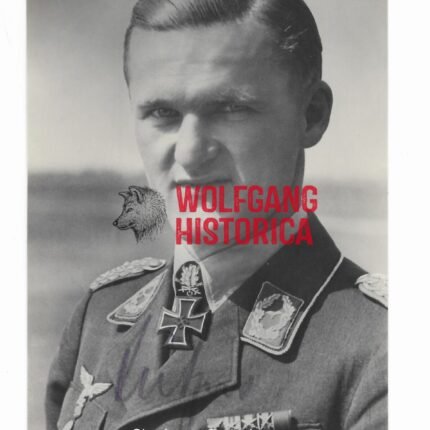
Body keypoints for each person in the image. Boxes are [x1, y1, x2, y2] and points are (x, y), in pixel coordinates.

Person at [45, 1, 387, 429]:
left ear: (311, 115)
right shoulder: (100, 318)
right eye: (162, 113)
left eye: (230, 108)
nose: (190, 153)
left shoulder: (380, 349)